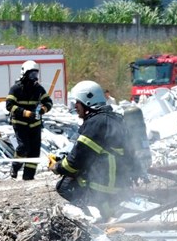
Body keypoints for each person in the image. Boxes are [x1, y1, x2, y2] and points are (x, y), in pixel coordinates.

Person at [51, 80, 129, 219]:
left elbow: (76, 161)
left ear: (87, 102)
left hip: (105, 182)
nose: (76, 106)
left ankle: (96, 217)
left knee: (65, 186)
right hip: (117, 178)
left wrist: (57, 167)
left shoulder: (96, 123)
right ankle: (107, 213)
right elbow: (83, 153)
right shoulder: (109, 119)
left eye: (78, 102)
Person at [5, 60, 53, 180]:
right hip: (20, 123)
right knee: (24, 147)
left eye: (36, 74)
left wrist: (43, 109)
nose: (34, 77)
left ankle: (28, 176)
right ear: (24, 74)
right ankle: (15, 167)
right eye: (32, 74)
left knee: (34, 151)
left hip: (35, 124)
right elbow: (9, 105)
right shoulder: (15, 89)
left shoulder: (39, 89)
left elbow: (49, 102)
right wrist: (25, 113)